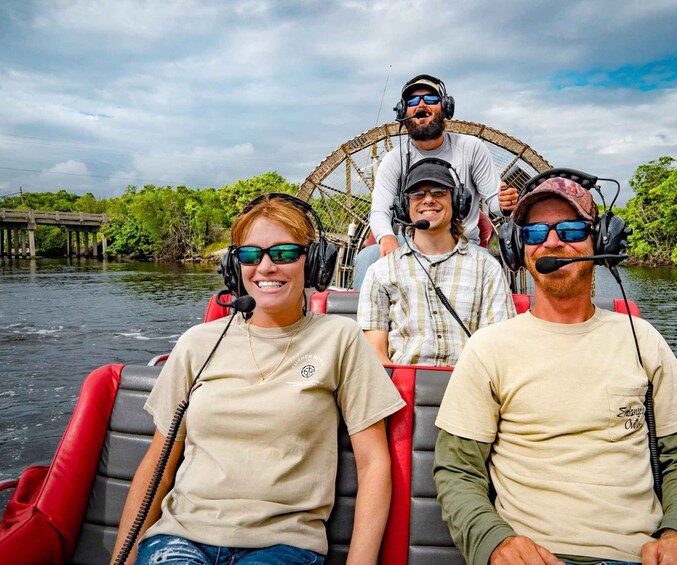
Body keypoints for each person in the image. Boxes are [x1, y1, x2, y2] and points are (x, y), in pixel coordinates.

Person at [433, 176, 677, 564]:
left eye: (570, 229)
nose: (551, 242)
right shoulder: (488, 349)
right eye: (534, 232)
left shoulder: (641, 338)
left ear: (600, 242)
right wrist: (496, 543)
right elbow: (457, 471)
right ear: (519, 248)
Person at [112, 194, 405, 565]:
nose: (265, 267)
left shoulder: (341, 339)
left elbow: (373, 464)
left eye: (283, 254)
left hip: (284, 544)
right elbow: (159, 462)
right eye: (251, 256)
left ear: (314, 263)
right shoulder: (198, 343)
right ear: (235, 269)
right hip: (180, 538)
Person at [352, 73, 520, 289]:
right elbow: (379, 210)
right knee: (367, 257)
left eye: (430, 99)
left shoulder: (471, 148)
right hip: (411, 245)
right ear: (404, 112)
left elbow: (494, 201)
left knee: (491, 264)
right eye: (412, 101)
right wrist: (386, 237)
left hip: (463, 245)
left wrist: (504, 203)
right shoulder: (394, 160)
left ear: (446, 107)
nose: (421, 104)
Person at [358, 158, 516, 366]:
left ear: (459, 202)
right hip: (403, 389)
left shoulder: (486, 268)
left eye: (439, 192)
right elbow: (375, 354)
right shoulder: (381, 271)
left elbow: (497, 348)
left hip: (469, 385)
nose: (428, 200)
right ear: (404, 207)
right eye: (417, 194)